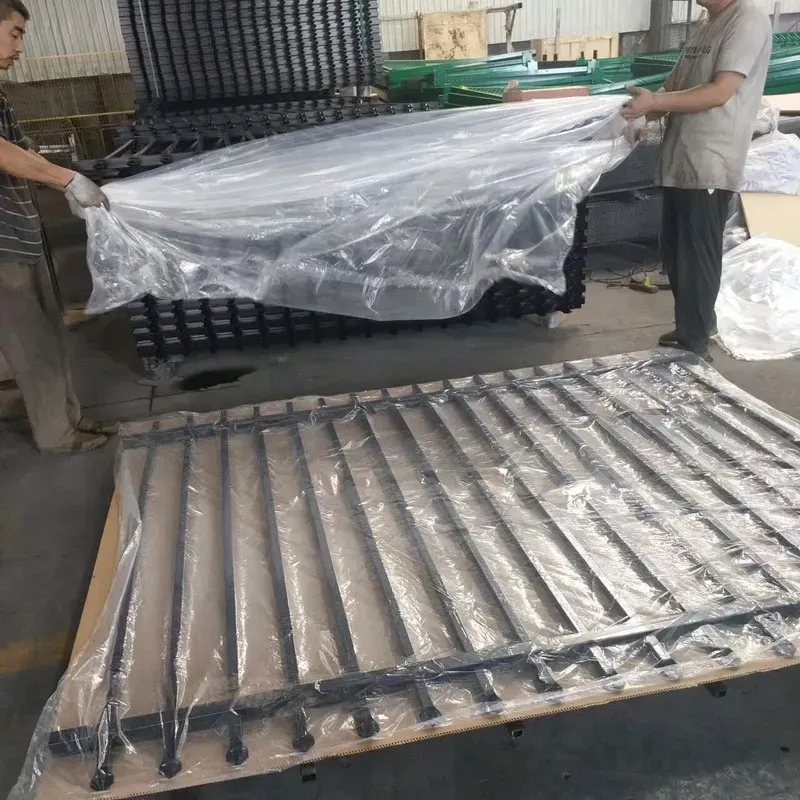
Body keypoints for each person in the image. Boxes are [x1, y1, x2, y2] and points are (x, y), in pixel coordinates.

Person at [622, 0, 772, 359]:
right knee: (677, 253)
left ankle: (695, 341)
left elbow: (720, 92)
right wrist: (641, 114)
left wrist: (653, 104)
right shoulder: (706, 25)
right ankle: (696, 324)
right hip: (681, 158)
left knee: (696, 254)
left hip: (710, 158)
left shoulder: (746, 19)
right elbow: (673, 87)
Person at [0, 0, 114, 452]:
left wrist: (66, 183)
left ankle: (70, 419)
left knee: (49, 334)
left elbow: (23, 152)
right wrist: (67, 180)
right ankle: (57, 435)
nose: (20, 46)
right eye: (14, 33)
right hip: (2, 247)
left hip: (22, 234)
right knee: (31, 344)